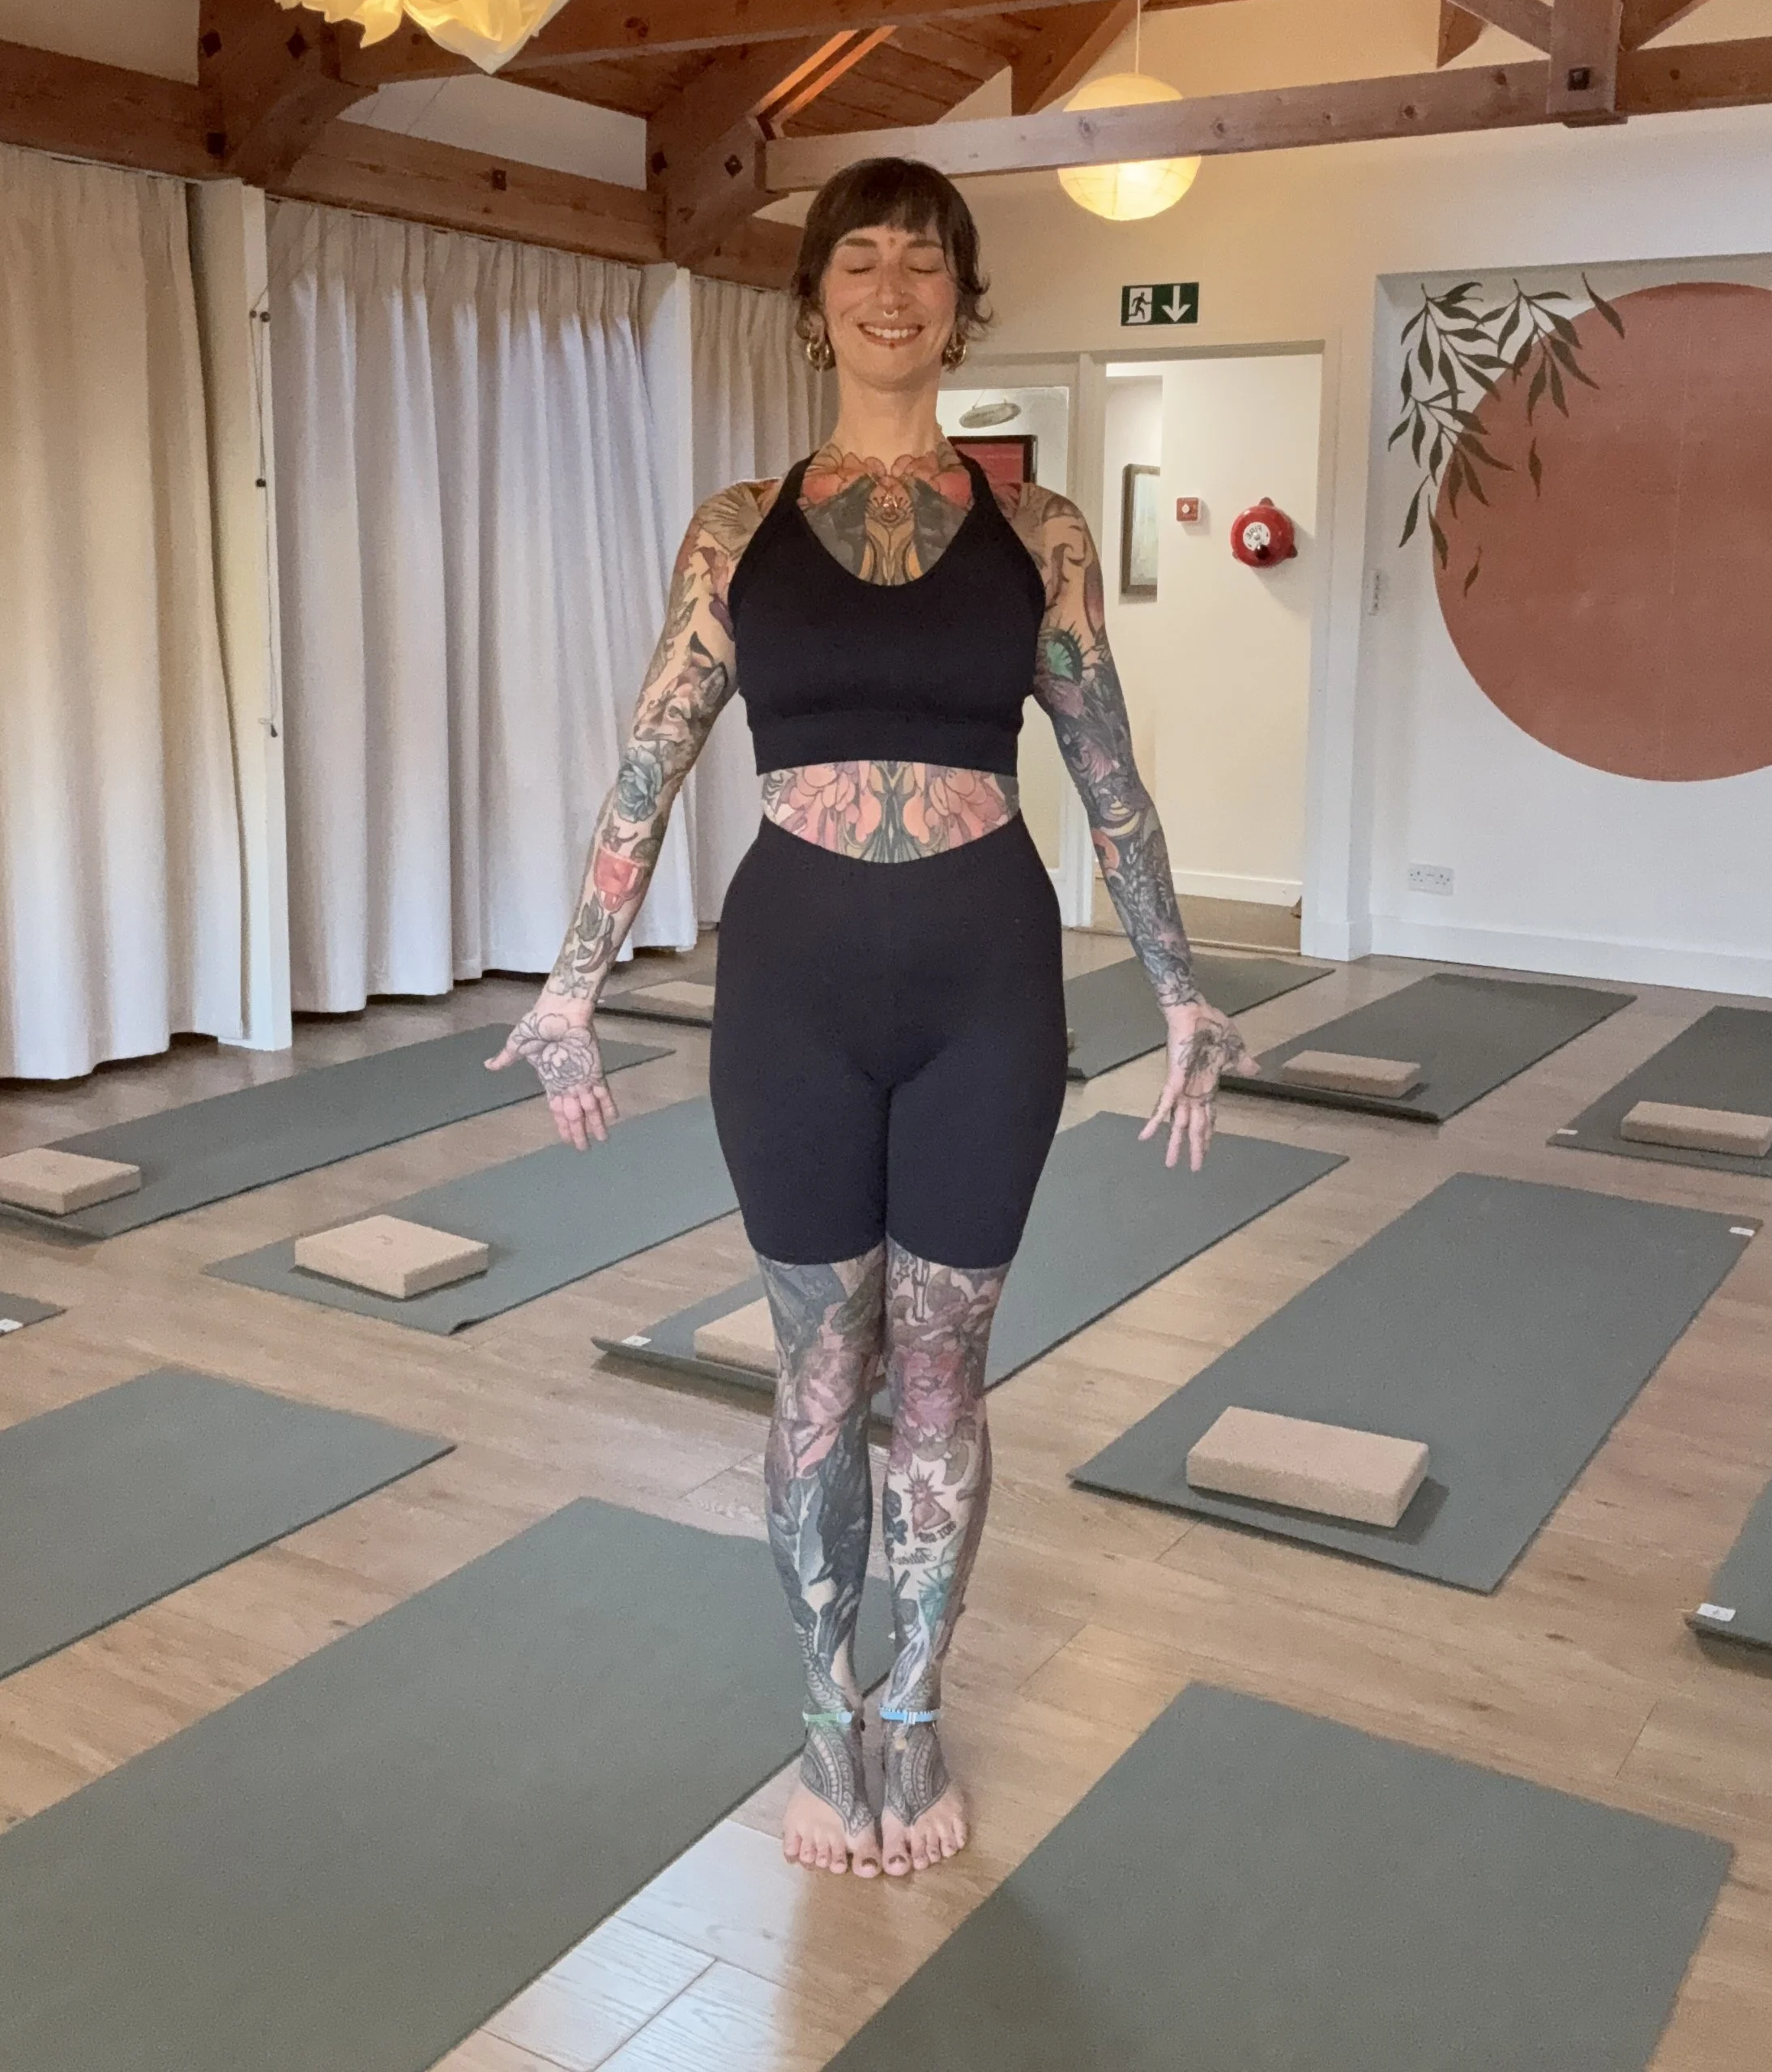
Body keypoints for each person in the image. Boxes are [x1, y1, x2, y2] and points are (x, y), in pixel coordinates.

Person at [493, 157, 1245, 1882]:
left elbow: (1109, 772)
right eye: (860, 259)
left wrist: (1185, 982)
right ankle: (822, 1711)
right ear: (816, 296)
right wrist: (572, 972)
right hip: (795, 982)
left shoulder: (1038, 533)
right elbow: (652, 751)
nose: (891, 286)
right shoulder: (734, 525)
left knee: (944, 1370)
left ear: (963, 302)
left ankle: (912, 1706)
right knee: (822, 1366)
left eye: (924, 261)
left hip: (988, 976)